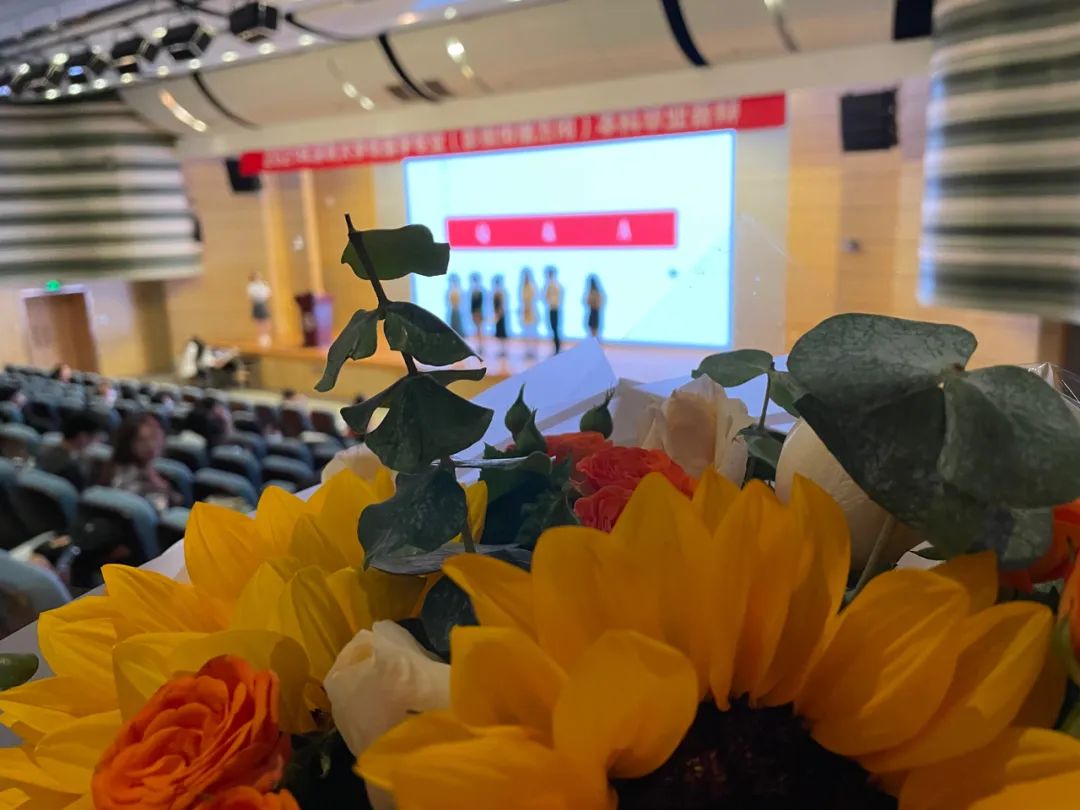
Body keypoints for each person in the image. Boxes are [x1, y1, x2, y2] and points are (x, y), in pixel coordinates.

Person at [106, 413, 180, 513]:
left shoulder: (147, 469)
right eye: (142, 440)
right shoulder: (130, 477)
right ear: (129, 443)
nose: (151, 445)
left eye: (154, 437)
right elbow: (164, 511)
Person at [37, 411, 101, 490]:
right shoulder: (73, 470)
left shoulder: (43, 451)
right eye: (93, 438)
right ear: (82, 437)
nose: (94, 443)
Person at [247, 271, 273, 347]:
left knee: (266, 320)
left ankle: (267, 335)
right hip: (257, 303)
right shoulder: (251, 286)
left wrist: (266, 295)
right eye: (257, 276)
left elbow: (269, 293)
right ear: (254, 277)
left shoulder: (263, 284)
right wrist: (261, 295)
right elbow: (251, 295)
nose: (259, 277)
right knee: (259, 321)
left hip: (264, 303)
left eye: (259, 276)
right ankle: (262, 336)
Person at [543, 266, 563, 355]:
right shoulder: (549, 285)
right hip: (552, 309)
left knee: (555, 329)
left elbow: (557, 298)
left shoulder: (554, 285)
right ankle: (556, 348)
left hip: (555, 309)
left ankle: (557, 348)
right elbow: (545, 297)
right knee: (553, 329)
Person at [519, 267, 539, 359]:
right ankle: (527, 351)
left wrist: (530, 308)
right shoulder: (522, 287)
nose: (525, 277)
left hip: (532, 312)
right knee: (526, 333)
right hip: (525, 312)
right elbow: (521, 300)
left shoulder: (532, 286)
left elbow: (534, 299)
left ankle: (534, 351)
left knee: (533, 333)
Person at [469, 273, 486, 355]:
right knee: (477, 330)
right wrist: (472, 313)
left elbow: (480, 305)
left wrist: (477, 313)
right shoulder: (473, 292)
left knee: (479, 330)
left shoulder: (479, 292)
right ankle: (478, 347)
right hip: (475, 314)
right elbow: (472, 305)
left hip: (478, 314)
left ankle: (481, 347)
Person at [492, 275, 508, 357]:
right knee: (499, 333)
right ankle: (501, 350)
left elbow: (502, 304)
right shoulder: (495, 293)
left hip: (501, 315)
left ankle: (504, 350)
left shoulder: (501, 293)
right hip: (497, 315)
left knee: (502, 333)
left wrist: (500, 313)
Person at [584, 274, 605, 340]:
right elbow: (586, 302)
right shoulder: (591, 292)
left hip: (595, 311)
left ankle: (595, 341)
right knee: (592, 328)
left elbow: (599, 302)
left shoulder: (596, 293)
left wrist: (593, 302)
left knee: (594, 329)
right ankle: (593, 341)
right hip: (592, 311)